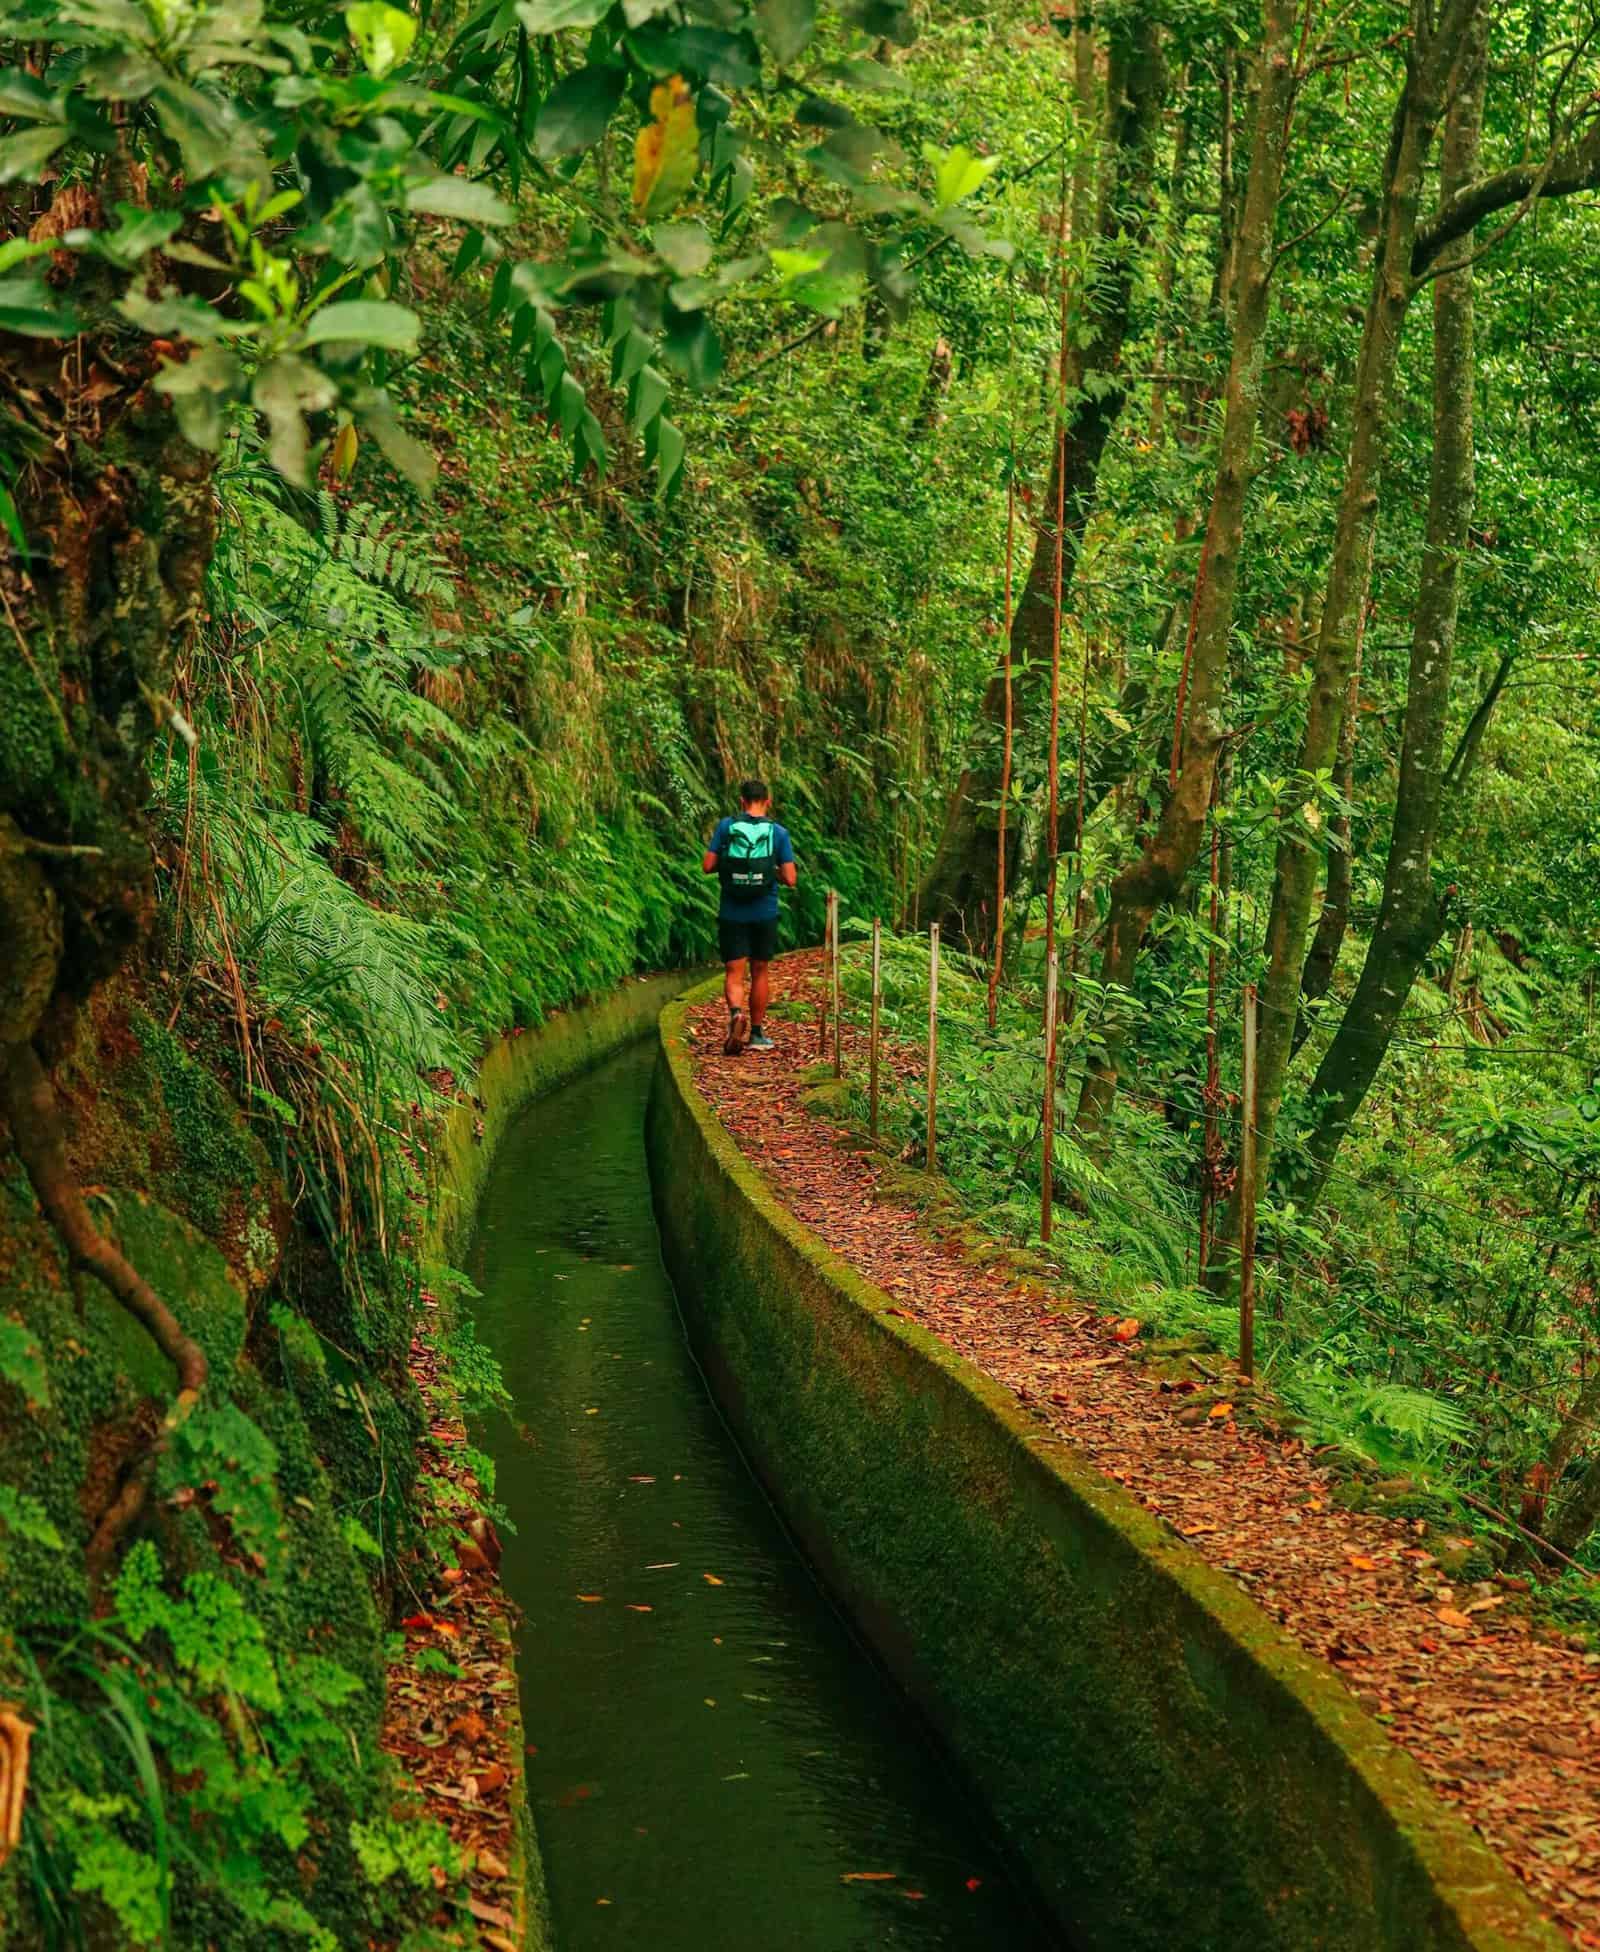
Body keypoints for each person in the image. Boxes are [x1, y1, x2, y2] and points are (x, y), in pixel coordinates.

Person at [703, 778, 797, 1055]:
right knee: (759, 971)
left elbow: (707, 865)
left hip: (732, 911)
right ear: (767, 802)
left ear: (742, 801)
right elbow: (791, 878)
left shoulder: (726, 827)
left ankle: (735, 1014)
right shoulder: (778, 833)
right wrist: (771, 871)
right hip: (764, 912)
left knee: (734, 972)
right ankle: (756, 1033)